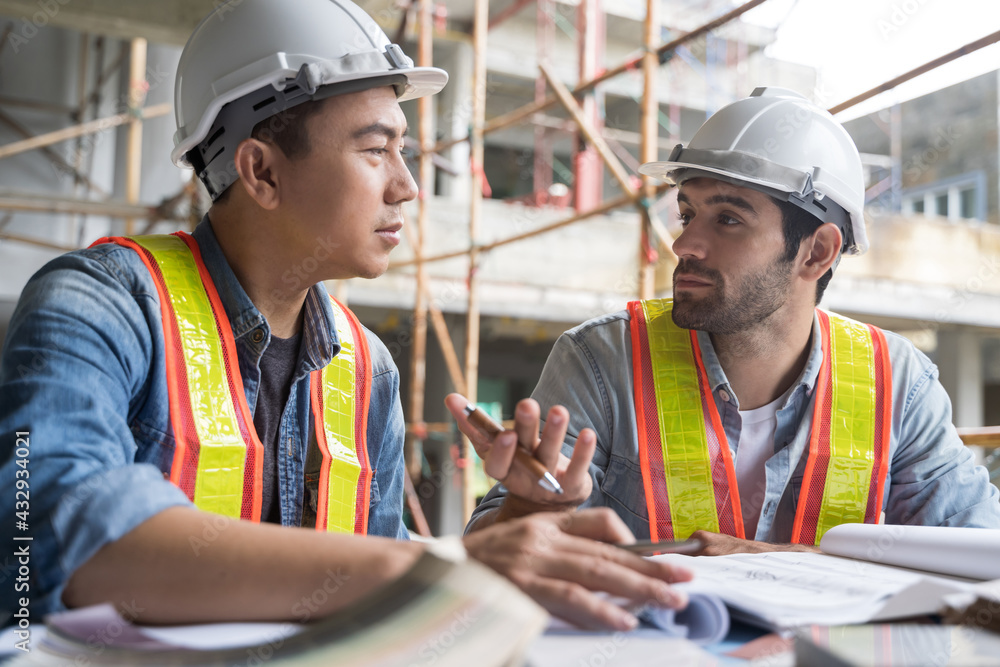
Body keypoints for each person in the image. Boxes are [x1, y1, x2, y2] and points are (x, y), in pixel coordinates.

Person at [0, 0, 691, 632]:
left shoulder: (366, 367)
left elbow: (371, 592)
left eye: (404, 150)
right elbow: (46, 538)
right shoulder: (102, 304)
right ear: (261, 171)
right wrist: (436, 568)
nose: (408, 185)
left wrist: (518, 525)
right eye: (375, 148)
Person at [458, 87, 1000, 553]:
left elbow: (976, 550)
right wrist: (526, 513)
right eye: (689, 213)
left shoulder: (896, 383)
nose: (685, 243)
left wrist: (772, 561)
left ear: (816, 253)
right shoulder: (604, 360)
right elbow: (494, 550)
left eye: (729, 219)